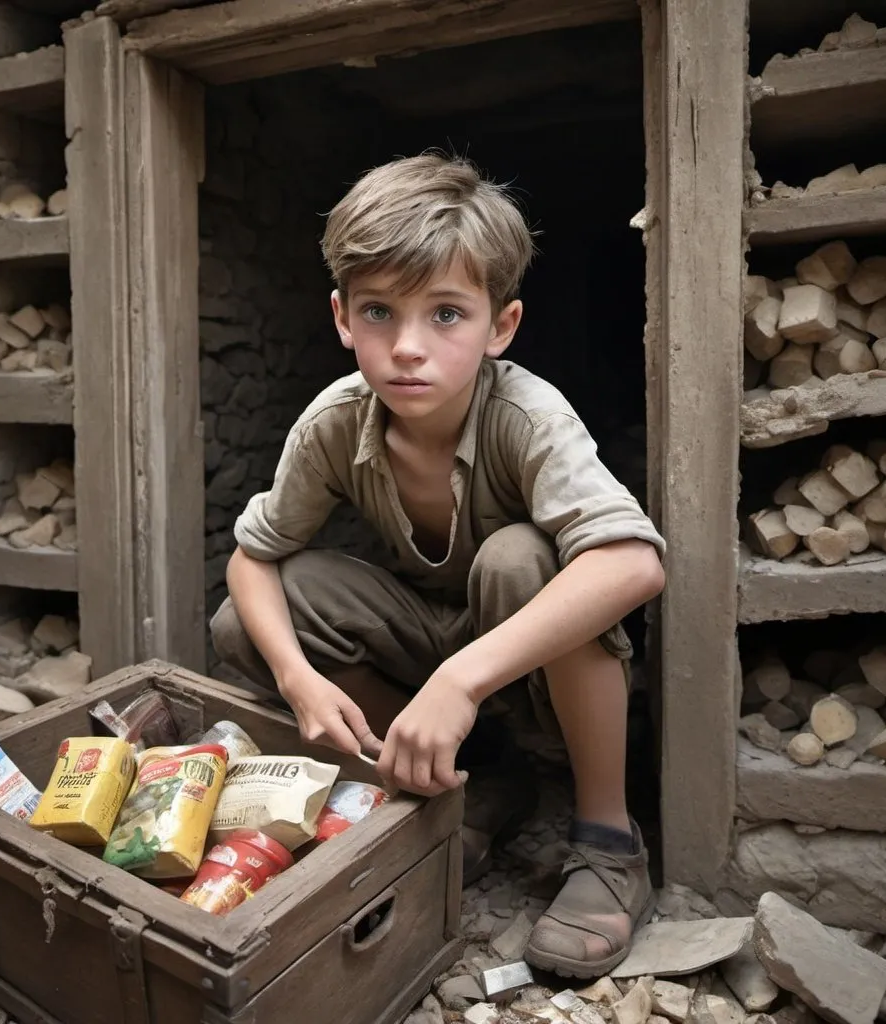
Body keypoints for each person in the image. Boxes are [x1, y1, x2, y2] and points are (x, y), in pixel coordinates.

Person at [210, 153, 666, 977]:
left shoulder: (525, 414)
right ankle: (472, 779)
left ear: (502, 324)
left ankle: (608, 838)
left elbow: (633, 564)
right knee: (256, 609)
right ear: (343, 317)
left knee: (521, 557)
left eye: (446, 314)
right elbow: (253, 559)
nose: (408, 348)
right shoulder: (334, 423)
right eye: (380, 312)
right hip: (431, 639)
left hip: (521, 654)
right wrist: (297, 681)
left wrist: (459, 683)